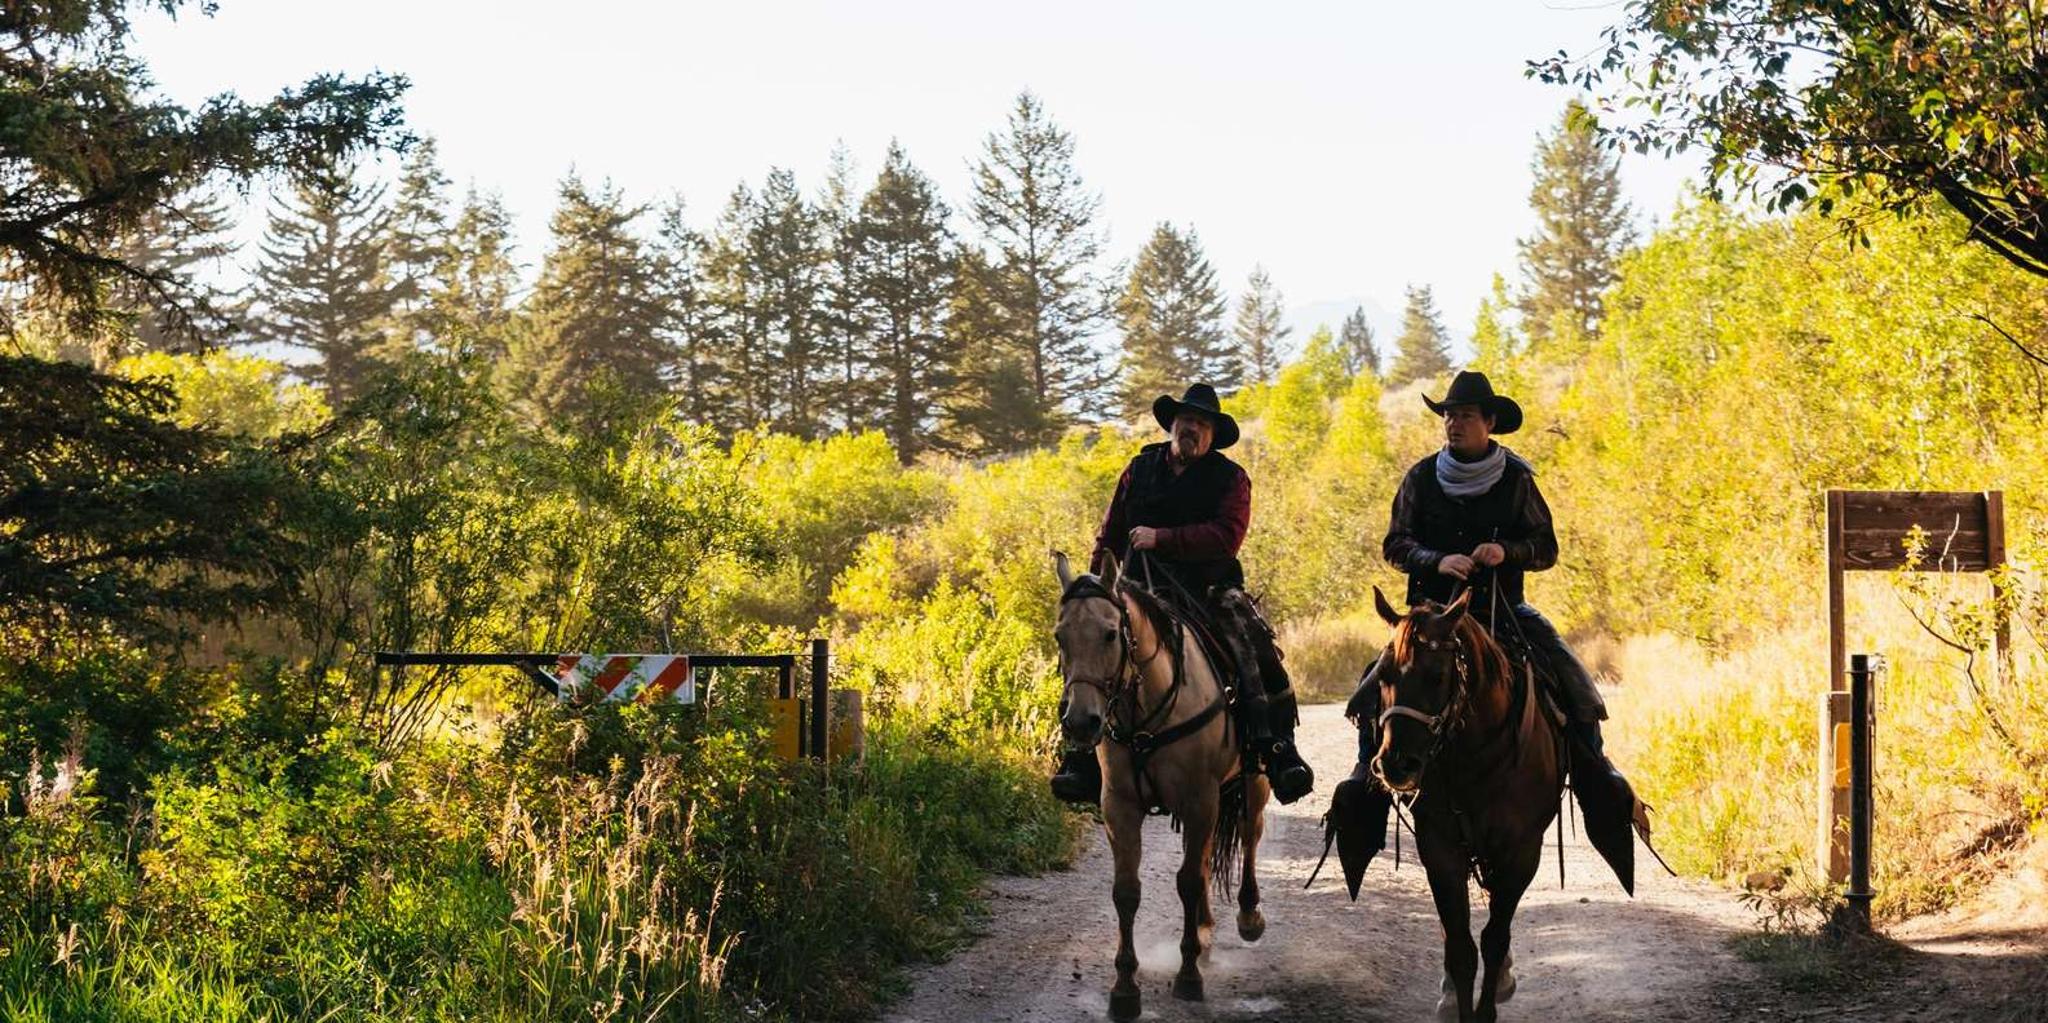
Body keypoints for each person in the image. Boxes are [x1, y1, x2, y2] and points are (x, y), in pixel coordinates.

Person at [1325, 370, 1647, 885]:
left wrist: (1506, 551)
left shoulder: (1517, 479)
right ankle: (1367, 778)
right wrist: (1436, 560)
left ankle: (1598, 776)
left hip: (1504, 612)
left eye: (1465, 416)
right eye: (1449, 416)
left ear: (1489, 422)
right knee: (1376, 685)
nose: (1454, 424)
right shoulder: (1420, 478)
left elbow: (1546, 548)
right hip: (1430, 619)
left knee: (1574, 683)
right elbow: (1395, 545)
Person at [1049, 383, 1316, 806]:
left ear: (1212, 435)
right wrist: (1100, 585)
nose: (1192, 429)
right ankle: (1080, 755)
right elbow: (1111, 533)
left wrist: (1162, 538)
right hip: (1137, 589)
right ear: (1172, 425)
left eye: (1202, 424)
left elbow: (1226, 537)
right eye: (1186, 420)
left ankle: (1278, 749)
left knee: (1256, 648)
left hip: (1208, 589)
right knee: (1087, 641)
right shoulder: (1139, 469)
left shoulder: (1231, 479)